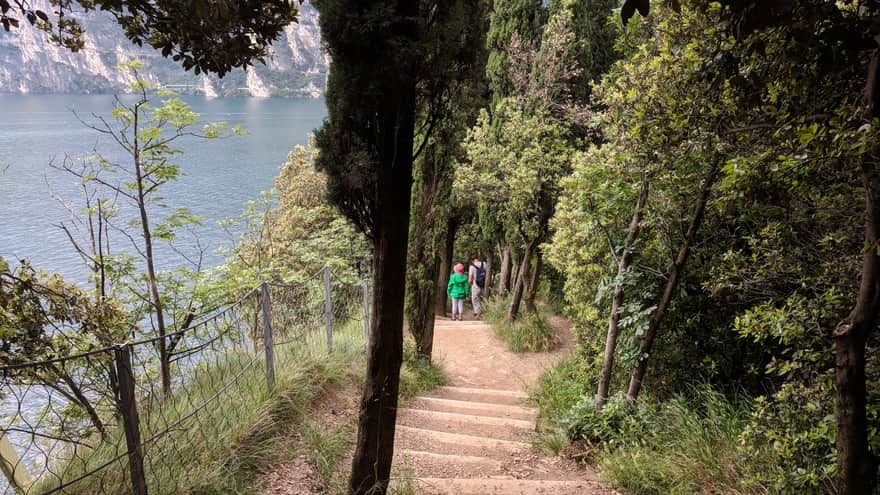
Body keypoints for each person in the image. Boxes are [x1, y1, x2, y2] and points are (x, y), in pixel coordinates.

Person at [468, 254, 486, 318]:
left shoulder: (472, 267)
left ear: (472, 260)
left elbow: (470, 279)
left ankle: (477, 312)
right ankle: (482, 312)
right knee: (482, 299)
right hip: (484, 285)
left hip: (476, 285)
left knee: (475, 299)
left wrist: (470, 284)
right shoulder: (484, 264)